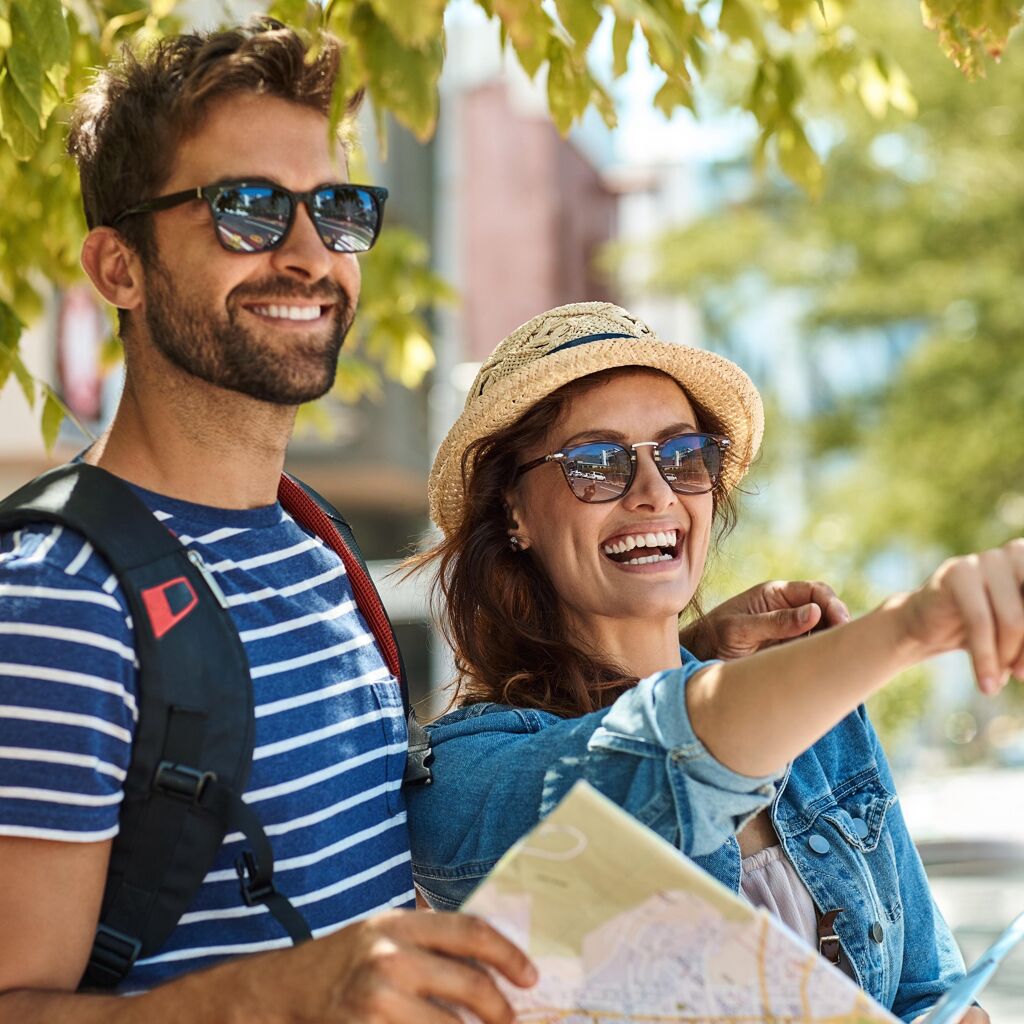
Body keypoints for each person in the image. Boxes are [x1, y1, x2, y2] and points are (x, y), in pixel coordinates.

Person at [0, 20, 846, 1022]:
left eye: (338, 210)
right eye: (247, 210)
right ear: (117, 268)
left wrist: (686, 659)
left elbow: (407, 822)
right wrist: (290, 992)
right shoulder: (58, 596)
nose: (310, 254)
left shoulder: (315, 551)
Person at [407, 301, 1022, 1023]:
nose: (653, 492)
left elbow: (928, 991)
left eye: (682, 455)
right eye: (596, 463)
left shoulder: (817, 719)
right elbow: (661, 765)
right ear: (514, 512)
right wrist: (915, 626)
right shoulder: (465, 773)